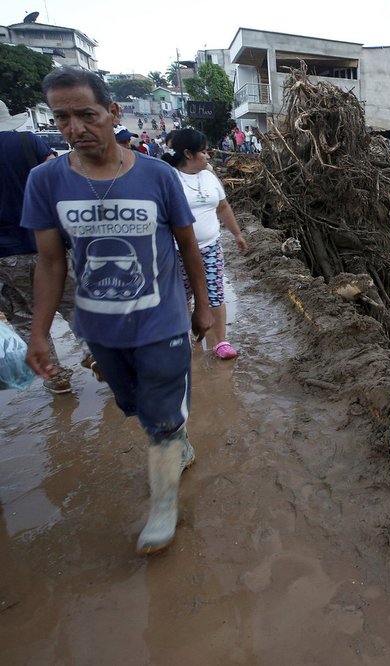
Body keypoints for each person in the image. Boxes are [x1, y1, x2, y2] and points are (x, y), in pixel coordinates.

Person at [21, 67, 213, 555]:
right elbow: (49, 261)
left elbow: (189, 247)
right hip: (100, 325)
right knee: (135, 406)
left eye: (85, 114)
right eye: (61, 117)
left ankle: (164, 505)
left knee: (162, 417)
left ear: (112, 112)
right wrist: (39, 333)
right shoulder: (45, 182)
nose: (74, 128)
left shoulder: (157, 176)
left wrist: (203, 306)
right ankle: (175, 439)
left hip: (163, 317)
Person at [0, 100, 72, 393]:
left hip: (5, 253)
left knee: (24, 315)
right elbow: (59, 178)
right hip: (47, 242)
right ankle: (97, 354)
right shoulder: (27, 141)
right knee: (73, 303)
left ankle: (54, 376)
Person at [162, 129, 247, 359]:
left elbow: (223, 207)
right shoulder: (169, 179)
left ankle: (221, 342)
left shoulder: (209, 177)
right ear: (188, 154)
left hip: (210, 248)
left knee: (216, 294)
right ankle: (185, 338)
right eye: (203, 151)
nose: (208, 155)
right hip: (177, 252)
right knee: (182, 296)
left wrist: (237, 234)